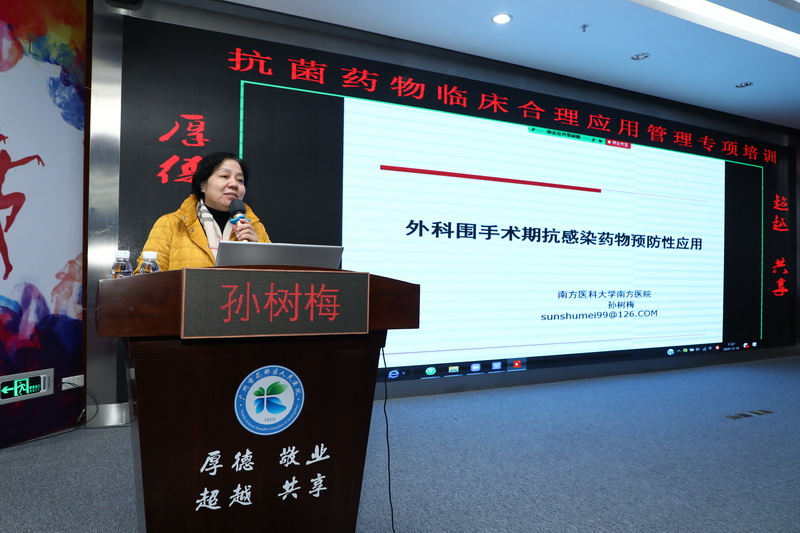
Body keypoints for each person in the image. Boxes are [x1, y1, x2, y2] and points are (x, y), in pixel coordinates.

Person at [136, 152, 270, 271]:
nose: (234, 184)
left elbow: (273, 282)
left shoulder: (255, 228)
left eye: (240, 180)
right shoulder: (171, 224)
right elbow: (147, 279)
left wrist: (256, 251)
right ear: (202, 185)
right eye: (224, 176)